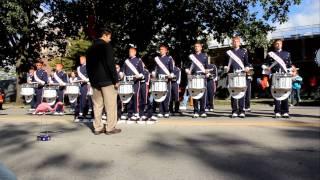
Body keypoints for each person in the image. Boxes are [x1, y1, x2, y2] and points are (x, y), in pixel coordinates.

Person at [86, 27, 121, 135]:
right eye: (109, 37)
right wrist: (116, 79)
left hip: (95, 82)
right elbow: (110, 64)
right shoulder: (106, 46)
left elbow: (88, 67)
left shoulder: (90, 48)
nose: (110, 40)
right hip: (107, 80)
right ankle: (110, 128)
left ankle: (97, 128)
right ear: (105, 35)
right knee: (110, 105)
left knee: (97, 105)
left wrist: (92, 81)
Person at [266, 39, 292, 118]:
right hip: (275, 76)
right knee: (276, 93)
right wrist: (266, 67)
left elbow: (289, 65)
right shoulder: (271, 54)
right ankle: (277, 111)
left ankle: (285, 111)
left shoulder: (287, 54)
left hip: (284, 76)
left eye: (279, 44)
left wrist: (290, 71)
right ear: (274, 45)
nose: (278, 45)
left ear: (282, 44)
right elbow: (266, 64)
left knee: (285, 92)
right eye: (276, 44)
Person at [225, 36, 249, 118]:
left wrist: (247, 68)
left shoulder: (244, 52)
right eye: (234, 41)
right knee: (233, 92)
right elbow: (226, 63)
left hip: (241, 74)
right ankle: (234, 110)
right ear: (232, 43)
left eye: (237, 41)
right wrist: (225, 67)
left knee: (241, 92)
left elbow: (246, 63)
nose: (235, 43)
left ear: (239, 42)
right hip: (232, 75)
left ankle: (242, 111)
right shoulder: (229, 52)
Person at [121, 47, 144, 123]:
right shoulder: (126, 61)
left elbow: (142, 72)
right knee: (128, 97)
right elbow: (122, 70)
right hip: (127, 82)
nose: (129, 53)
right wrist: (121, 73)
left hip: (135, 81)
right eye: (129, 51)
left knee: (136, 97)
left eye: (131, 52)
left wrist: (139, 75)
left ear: (135, 52)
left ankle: (136, 113)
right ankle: (129, 113)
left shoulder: (138, 60)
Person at [186, 42, 208, 118]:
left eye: (198, 46)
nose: (196, 47)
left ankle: (203, 111)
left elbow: (207, 66)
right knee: (195, 94)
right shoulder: (192, 56)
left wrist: (207, 71)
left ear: (201, 48)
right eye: (195, 46)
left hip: (202, 76)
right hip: (194, 76)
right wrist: (187, 70)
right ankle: (196, 111)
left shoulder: (205, 56)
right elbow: (188, 66)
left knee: (202, 94)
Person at [152, 44, 174, 118]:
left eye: (162, 49)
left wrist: (171, 75)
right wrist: (154, 74)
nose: (161, 51)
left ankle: (166, 111)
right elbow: (156, 69)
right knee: (160, 94)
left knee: (167, 95)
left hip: (166, 79)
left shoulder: (169, 58)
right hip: (159, 79)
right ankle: (161, 111)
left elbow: (172, 69)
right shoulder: (157, 58)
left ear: (166, 50)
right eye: (160, 49)